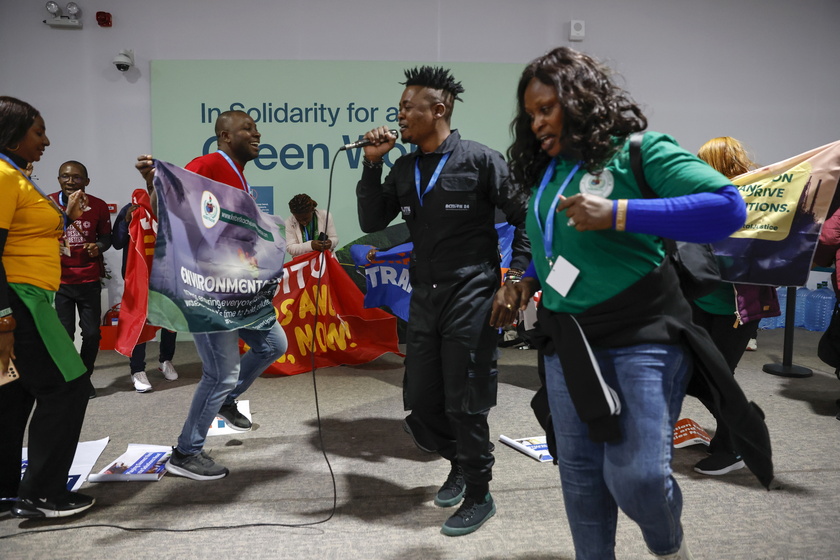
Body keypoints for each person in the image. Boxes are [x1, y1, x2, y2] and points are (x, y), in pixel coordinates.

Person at [498, 47, 748, 559]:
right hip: (568, 342)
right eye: (530, 114)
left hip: (643, 338)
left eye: (547, 108)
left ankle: (669, 545)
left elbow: (728, 208)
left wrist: (618, 213)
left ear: (580, 99)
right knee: (583, 482)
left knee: (636, 475)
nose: (537, 123)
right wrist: (525, 277)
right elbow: (555, 243)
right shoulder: (547, 173)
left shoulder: (639, 150)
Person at [355, 66, 530, 536]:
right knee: (422, 402)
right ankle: (460, 461)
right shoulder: (405, 167)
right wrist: (372, 163)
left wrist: (515, 278)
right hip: (425, 297)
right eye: (399, 109)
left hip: (472, 293)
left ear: (439, 109)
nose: (400, 117)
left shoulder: (480, 160)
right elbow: (372, 216)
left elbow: (526, 215)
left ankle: (479, 492)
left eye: (408, 108)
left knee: (465, 399)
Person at [135, 109, 288, 481]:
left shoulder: (239, 176)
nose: (257, 133)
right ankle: (186, 452)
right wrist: (154, 184)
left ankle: (227, 399)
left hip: (237, 287)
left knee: (273, 343)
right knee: (220, 372)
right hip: (208, 289)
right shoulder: (207, 164)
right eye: (247, 128)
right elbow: (169, 212)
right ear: (224, 135)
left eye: (255, 127)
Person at [0, 96, 94, 518]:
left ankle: (6, 492)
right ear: (13, 134)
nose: (46, 140)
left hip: (25, 296)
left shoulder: (16, 175)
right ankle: (43, 493)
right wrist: (3, 317)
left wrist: (66, 217)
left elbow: (29, 232)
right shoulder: (3, 175)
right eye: (38, 132)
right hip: (21, 301)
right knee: (67, 387)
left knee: (15, 396)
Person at [691, 137, 780, 476]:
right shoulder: (705, 197)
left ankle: (732, 446)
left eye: (704, 161)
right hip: (702, 301)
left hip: (735, 307)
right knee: (691, 373)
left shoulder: (756, 201)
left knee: (718, 377)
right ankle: (745, 422)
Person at [48, 160, 112, 399]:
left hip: (88, 281)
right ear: (58, 180)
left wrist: (98, 246)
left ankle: (85, 379)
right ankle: (69, 379)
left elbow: (107, 238)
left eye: (76, 177)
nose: (70, 181)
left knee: (93, 334)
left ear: (86, 181)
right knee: (65, 335)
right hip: (61, 281)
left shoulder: (98, 206)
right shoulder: (48, 203)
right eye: (65, 176)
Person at [112, 197, 179, 393]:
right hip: (139, 277)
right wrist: (125, 221)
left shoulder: (173, 209)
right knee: (139, 322)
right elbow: (117, 242)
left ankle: (166, 360)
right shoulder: (131, 208)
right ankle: (137, 370)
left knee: (169, 322)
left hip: (167, 277)